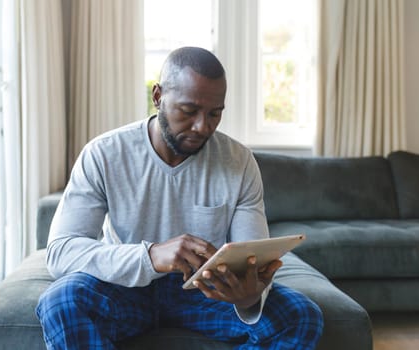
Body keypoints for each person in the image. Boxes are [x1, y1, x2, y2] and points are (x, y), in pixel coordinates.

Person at [36, 46, 323, 349]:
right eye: (188, 111)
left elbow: (249, 258)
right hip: (123, 285)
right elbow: (61, 251)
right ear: (158, 97)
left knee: (301, 316)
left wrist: (250, 294)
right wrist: (150, 256)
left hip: (205, 293)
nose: (203, 127)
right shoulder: (104, 153)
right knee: (61, 301)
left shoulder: (239, 162)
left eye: (215, 114)